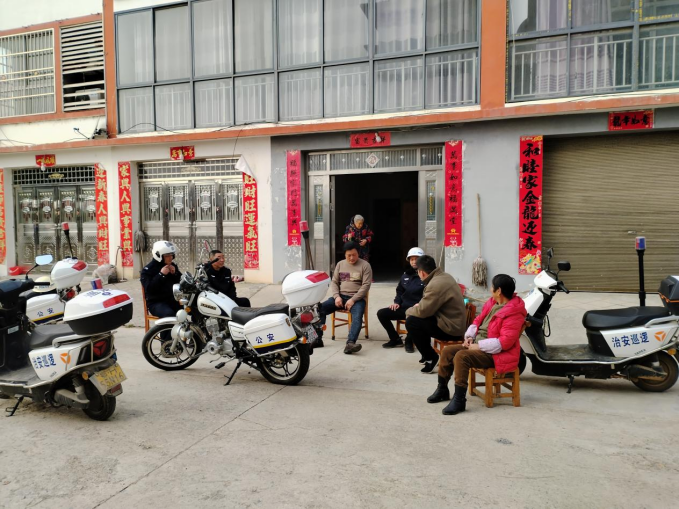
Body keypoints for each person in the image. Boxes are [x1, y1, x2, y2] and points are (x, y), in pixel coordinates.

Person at [427, 274, 527, 416]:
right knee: (448, 351)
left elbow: (505, 342)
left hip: (497, 354)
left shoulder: (514, 312)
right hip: (480, 345)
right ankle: (442, 389)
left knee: (462, 356)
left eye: (492, 286)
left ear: (499, 291)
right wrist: (469, 337)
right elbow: (478, 320)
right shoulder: (493, 303)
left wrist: (478, 346)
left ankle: (459, 399)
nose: (490, 289)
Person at [404, 255, 466, 373]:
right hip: (451, 321)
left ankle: (430, 357)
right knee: (419, 317)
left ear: (421, 272)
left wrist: (408, 311)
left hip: (451, 328)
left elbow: (423, 311)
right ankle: (426, 354)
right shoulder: (444, 276)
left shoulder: (436, 284)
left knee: (412, 322)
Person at [317, 241, 372, 354]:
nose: (351, 258)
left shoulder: (365, 265)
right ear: (345, 254)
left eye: (354, 255)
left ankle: (350, 343)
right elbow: (334, 282)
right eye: (349, 255)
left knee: (357, 317)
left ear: (358, 253)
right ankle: (317, 339)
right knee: (319, 309)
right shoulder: (340, 264)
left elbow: (366, 286)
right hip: (340, 297)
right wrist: (337, 297)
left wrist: (353, 299)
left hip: (357, 299)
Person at [378, 247, 425, 350]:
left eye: (416, 259)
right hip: (403, 308)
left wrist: (421, 305)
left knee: (413, 318)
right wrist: (396, 302)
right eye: (412, 259)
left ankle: (409, 341)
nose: (414, 261)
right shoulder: (405, 275)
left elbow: (429, 294)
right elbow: (400, 291)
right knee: (381, 313)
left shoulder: (426, 275)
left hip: (417, 310)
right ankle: (395, 339)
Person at [141, 240, 182, 318]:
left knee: (192, 308)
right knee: (169, 315)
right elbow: (149, 289)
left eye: (172, 255)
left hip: (172, 300)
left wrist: (175, 273)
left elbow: (180, 282)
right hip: (156, 302)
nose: (171, 258)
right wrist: (161, 275)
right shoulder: (148, 270)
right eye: (167, 256)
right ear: (158, 255)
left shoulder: (172, 265)